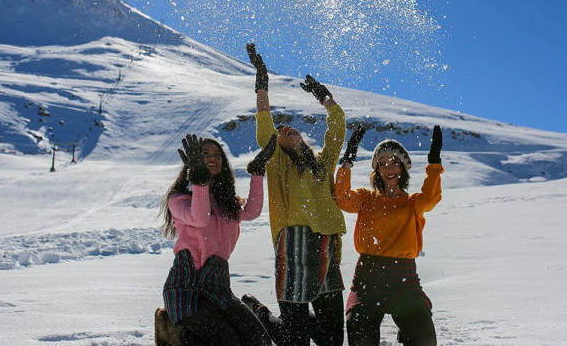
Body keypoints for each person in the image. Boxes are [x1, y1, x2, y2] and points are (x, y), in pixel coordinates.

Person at [242, 43, 346, 346]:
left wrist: (325, 98)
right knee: (295, 341)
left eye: (290, 127)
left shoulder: (322, 164)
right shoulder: (276, 161)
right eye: (281, 130)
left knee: (332, 340)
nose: (286, 128)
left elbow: (337, 129)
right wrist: (262, 80)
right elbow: (264, 122)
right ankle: (261, 314)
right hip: (292, 246)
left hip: (325, 245)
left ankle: (294, 323)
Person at [156, 133, 277, 346]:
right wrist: (199, 182)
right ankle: (176, 333)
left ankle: (183, 334)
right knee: (228, 342)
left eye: (217, 154)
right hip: (186, 289)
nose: (212, 157)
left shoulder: (225, 202)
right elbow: (200, 218)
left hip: (218, 287)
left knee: (260, 341)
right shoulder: (179, 199)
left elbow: (252, 212)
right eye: (205, 153)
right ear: (193, 160)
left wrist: (257, 172)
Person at [334, 125, 444, 346]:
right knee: (361, 339)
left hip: (404, 281)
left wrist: (434, 163)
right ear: (376, 169)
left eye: (395, 162)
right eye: (382, 163)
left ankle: (407, 329)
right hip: (368, 278)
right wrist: (347, 161)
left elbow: (431, 198)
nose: (389, 168)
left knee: (425, 341)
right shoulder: (366, 198)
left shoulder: (413, 203)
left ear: (403, 166)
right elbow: (342, 199)